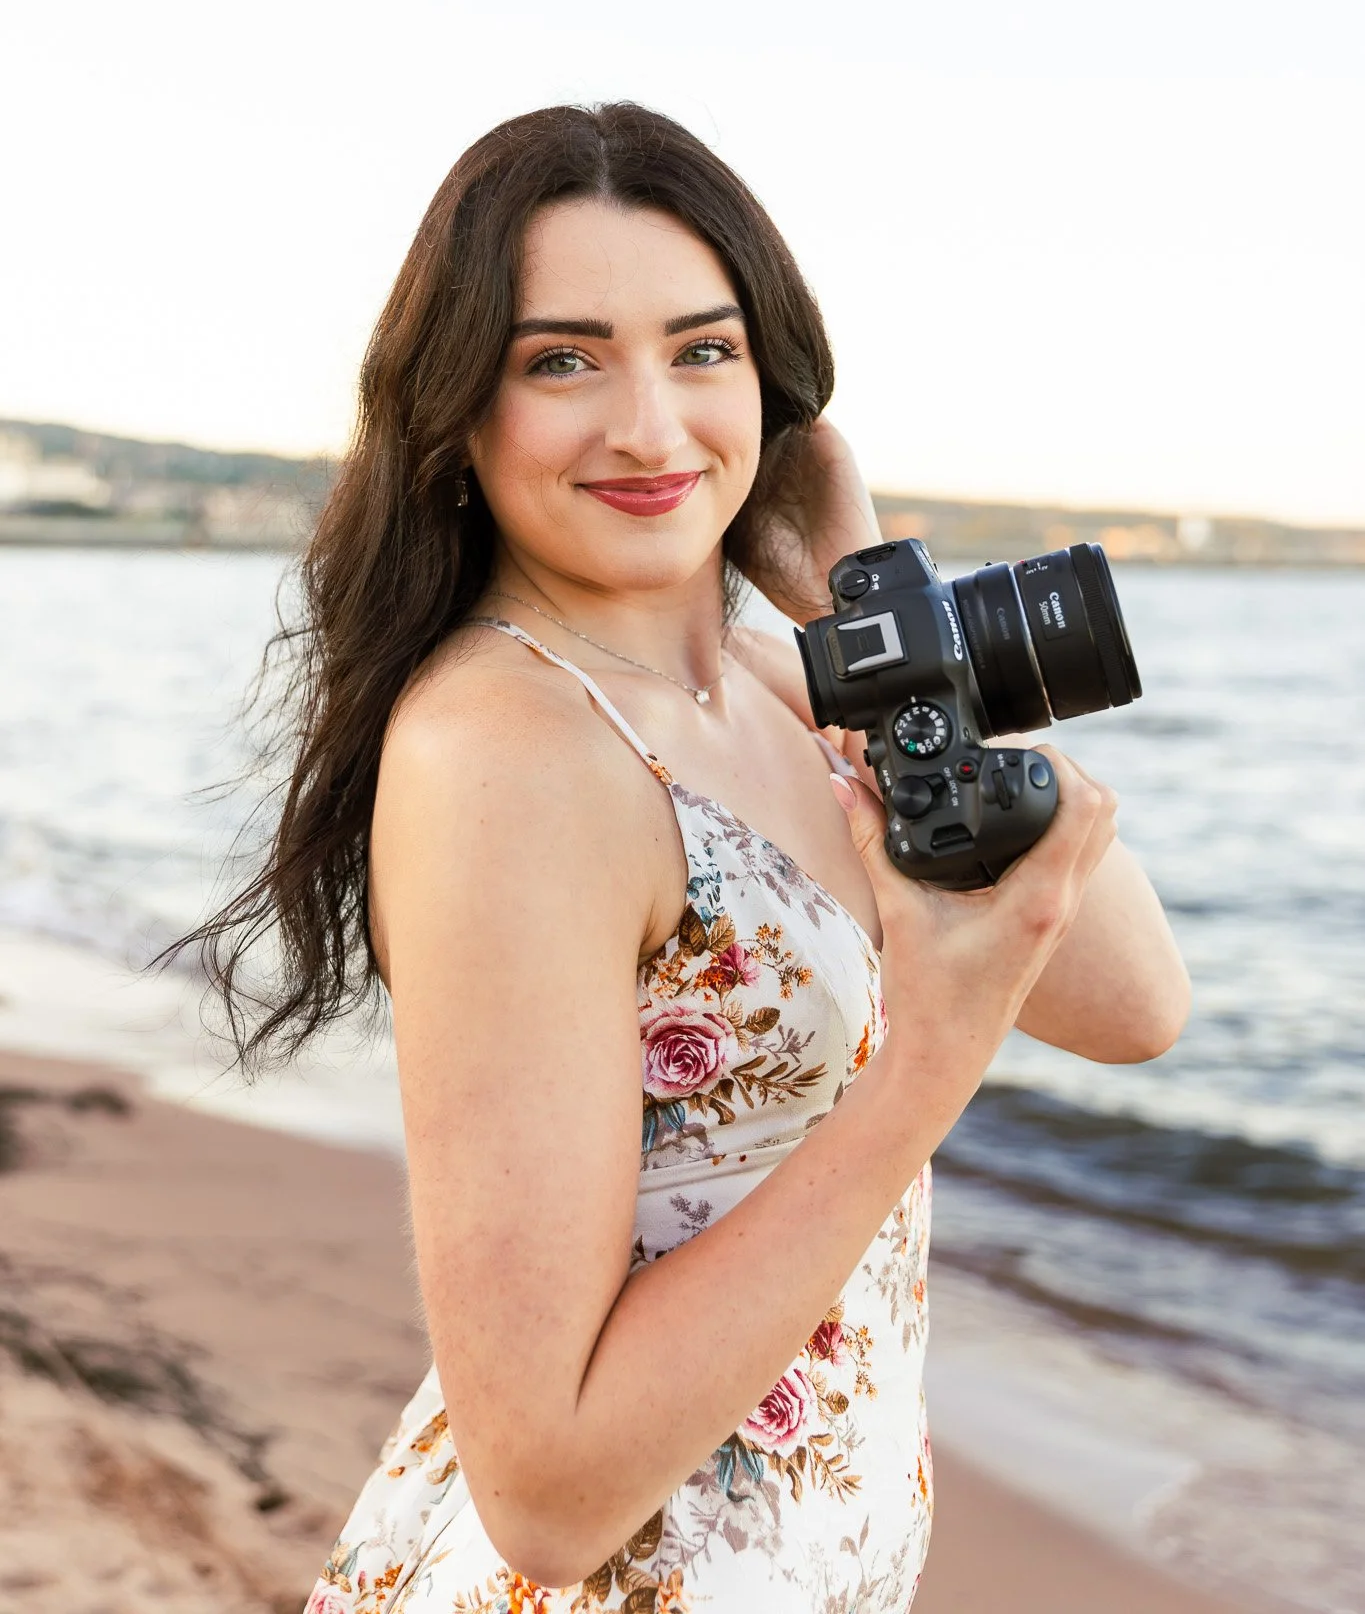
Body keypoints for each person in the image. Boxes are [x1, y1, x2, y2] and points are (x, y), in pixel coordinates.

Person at [198, 103, 1190, 1614]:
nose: (652, 428)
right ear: (459, 407)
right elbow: (545, 1490)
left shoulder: (781, 679)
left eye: (702, 350)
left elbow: (1134, 1006)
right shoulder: (512, 753)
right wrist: (924, 1064)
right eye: (563, 359)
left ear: (775, 388)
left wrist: (879, 620)